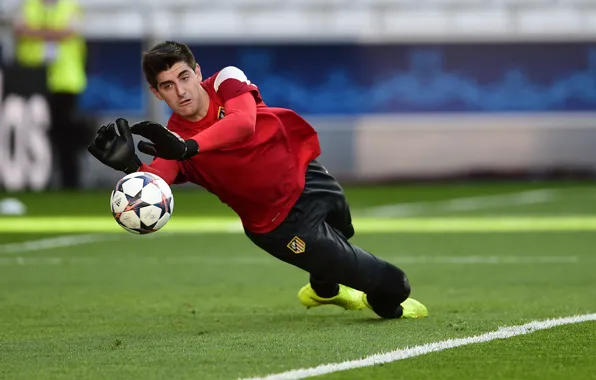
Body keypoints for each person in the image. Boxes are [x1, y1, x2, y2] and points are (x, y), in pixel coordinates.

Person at [88, 41, 428, 319]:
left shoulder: (225, 81)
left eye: (184, 77)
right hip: (280, 225)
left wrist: (190, 146)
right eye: (168, 86)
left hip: (308, 177)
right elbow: (153, 187)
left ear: (198, 73)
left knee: (342, 231)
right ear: (157, 93)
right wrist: (131, 167)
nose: (181, 91)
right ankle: (382, 303)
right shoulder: (170, 142)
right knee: (395, 285)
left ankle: (324, 291)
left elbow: (243, 123)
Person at [13, 0, 88, 189]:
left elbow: (70, 32)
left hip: (64, 82)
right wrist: (54, 33)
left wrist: (35, 32)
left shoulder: (69, 6)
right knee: (32, 133)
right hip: (32, 80)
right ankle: (35, 182)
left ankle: (69, 183)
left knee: (65, 135)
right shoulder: (29, 6)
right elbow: (19, 30)